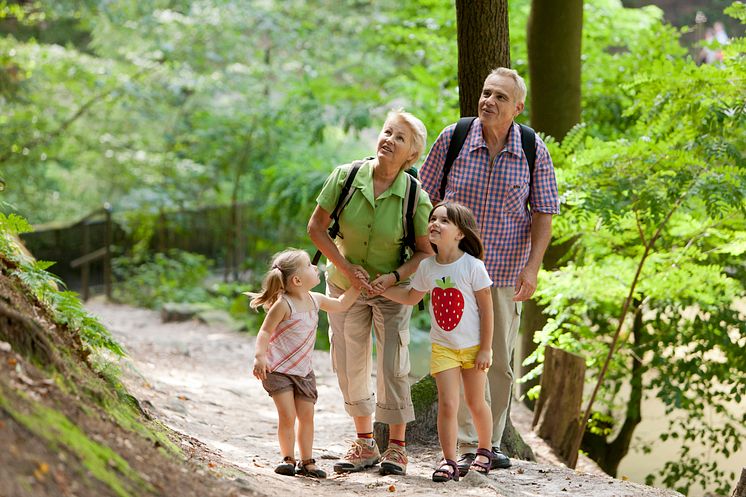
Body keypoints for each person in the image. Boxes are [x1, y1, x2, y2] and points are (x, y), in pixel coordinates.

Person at [419, 67, 560, 473]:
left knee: (495, 362)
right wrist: (426, 251)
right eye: (486, 93)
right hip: (453, 273)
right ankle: (466, 445)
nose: (489, 101)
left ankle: (488, 443)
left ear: (517, 107)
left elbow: (545, 214)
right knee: (457, 355)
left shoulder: (532, 149)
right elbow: (424, 197)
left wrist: (532, 270)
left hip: (502, 272)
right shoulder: (454, 138)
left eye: (500, 97)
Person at [307, 109, 434, 476]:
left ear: (412, 154)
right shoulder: (345, 178)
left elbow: (426, 252)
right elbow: (316, 228)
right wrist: (346, 268)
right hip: (345, 285)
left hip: (390, 290)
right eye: (387, 131)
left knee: (394, 363)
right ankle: (364, 443)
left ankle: (397, 448)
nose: (389, 140)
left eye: (400, 138)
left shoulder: (414, 196)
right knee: (349, 359)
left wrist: (394, 277)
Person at [383, 201, 494, 482]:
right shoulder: (427, 266)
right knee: (447, 404)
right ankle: (449, 460)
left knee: (475, 401)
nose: (435, 223)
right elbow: (411, 298)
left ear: (460, 233)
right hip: (443, 347)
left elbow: (487, 310)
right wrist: (383, 288)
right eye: (433, 218)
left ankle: (484, 449)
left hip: (473, 348)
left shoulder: (473, 266)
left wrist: (486, 348)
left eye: (444, 221)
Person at [250, 248, 361, 478]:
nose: (316, 267)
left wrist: (357, 287)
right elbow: (265, 332)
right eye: (310, 266)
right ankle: (288, 458)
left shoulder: (316, 300)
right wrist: (260, 356)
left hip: (303, 373)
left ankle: (307, 461)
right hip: (278, 370)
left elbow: (341, 304)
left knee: (307, 416)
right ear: (297, 280)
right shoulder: (283, 305)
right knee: (288, 416)